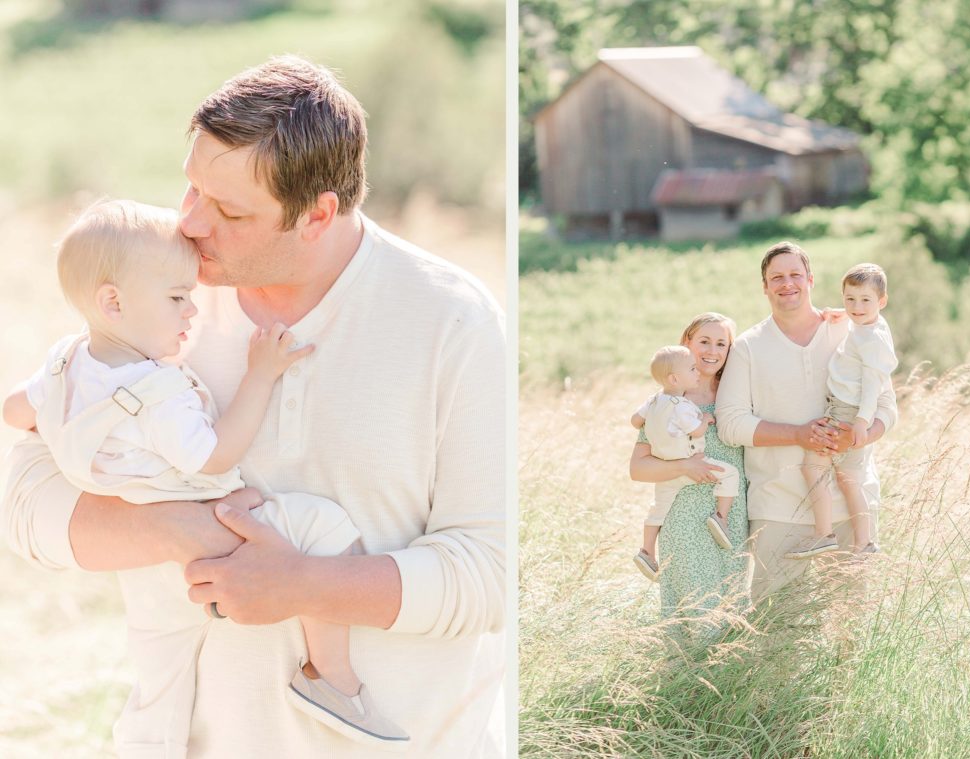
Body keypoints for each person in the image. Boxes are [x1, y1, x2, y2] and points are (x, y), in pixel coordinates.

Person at [1, 56, 505, 758]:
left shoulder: (451, 322)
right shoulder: (157, 290)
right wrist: (177, 530)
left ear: (318, 214)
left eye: (230, 211)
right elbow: (24, 500)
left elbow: (488, 575)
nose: (189, 222)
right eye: (191, 187)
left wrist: (306, 584)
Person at [2, 199, 409, 752]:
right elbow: (214, 455)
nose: (191, 312)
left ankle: (148, 744)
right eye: (176, 298)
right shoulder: (158, 391)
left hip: (143, 557)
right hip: (208, 531)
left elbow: (16, 411)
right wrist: (261, 375)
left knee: (160, 665)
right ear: (114, 302)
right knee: (324, 527)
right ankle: (331, 675)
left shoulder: (65, 361)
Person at [715, 242, 897, 603]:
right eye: (776, 277)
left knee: (849, 627)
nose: (787, 283)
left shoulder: (850, 330)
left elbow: (888, 408)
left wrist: (858, 438)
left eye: (795, 274)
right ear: (764, 287)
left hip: (852, 509)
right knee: (778, 632)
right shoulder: (748, 347)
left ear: (811, 280)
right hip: (779, 508)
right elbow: (730, 424)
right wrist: (799, 434)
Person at [629, 313, 750, 626]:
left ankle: (729, 673)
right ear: (686, 345)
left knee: (731, 602)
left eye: (721, 343)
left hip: (730, 516)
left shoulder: (736, 395)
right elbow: (638, 468)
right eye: (704, 342)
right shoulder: (666, 402)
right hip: (683, 516)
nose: (712, 350)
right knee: (693, 608)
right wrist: (686, 466)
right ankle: (687, 672)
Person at [790, 263, 897, 559]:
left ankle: (823, 534)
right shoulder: (871, 324)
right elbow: (860, 316)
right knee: (849, 479)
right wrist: (843, 313)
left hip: (848, 413)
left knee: (813, 467)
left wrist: (863, 421)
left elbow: (874, 383)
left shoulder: (870, 339)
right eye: (850, 299)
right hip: (846, 409)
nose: (856, 306)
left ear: (881, 302)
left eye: (865, 300)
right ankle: (864, 543)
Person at [630, 344, 741, 580]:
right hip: (691, 461)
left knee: (657, 510)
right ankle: (721, 517)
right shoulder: (681, 407)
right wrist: (707, 419)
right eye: (692, 369)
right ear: (674, 378)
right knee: (730, 474)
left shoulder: (654, 400)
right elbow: (697, 431)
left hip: (666, 472)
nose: (697, 372)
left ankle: (647, 551)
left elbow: (635, 420)